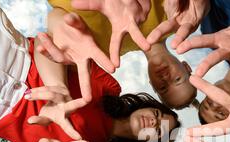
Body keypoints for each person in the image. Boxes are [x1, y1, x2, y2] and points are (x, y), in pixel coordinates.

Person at [0, 0, 180, 142]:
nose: (153, 122)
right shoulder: (110, 87)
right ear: (149, 106)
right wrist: (58, 88)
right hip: (0, 44)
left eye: (159, 130)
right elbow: (48, 44)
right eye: (158, 114)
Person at [44, 0, 202, 109]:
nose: (166, 78)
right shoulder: (173, 14)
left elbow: (57, 15)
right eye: (177, 79)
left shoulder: (106, 51)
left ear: (152, 84)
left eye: (163, 87)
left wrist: (57, 24)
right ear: (186, 67)